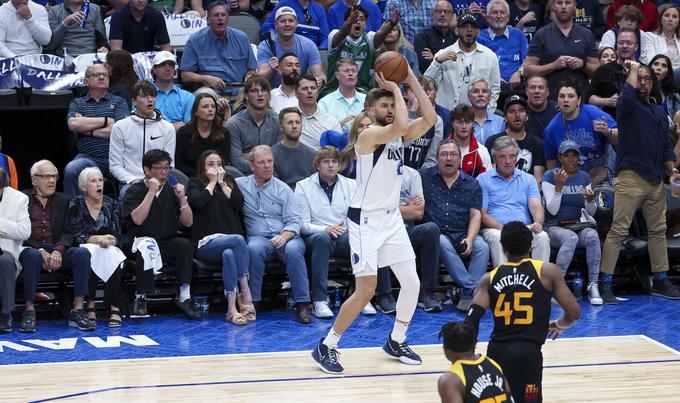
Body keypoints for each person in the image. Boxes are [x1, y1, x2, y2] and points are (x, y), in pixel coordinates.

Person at [311, 65, 437, 374]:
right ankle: (326, 346)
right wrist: (397, 88)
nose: (392, 109)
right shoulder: (368, 136)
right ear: (369, 109)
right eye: (385, 105)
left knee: (411, 283)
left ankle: (397, 339)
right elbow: (401, 126)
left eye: (394, 105)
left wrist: (409, 80)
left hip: (391, 218)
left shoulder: (395, 135)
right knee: (365, 289)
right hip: (365, 221)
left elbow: (431, 119)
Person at [466, 221, 581, 403]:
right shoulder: (547, 272)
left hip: (497, 353)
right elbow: (574, 312)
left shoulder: (489, 278)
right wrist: (558, 325)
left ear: (503, 248)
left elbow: (471, 320)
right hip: (528, 354)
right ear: (531, 245)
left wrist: (469, 356)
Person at [599, 59, 680, 303]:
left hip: (656, 179)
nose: (643, 82)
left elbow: (666, 144)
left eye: (647, 79)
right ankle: (605, 284)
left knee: (658, 231)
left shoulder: (657, 109)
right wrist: (633, 69)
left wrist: (671, 169)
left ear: (653, 84)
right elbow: (627, 97)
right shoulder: (628, 106)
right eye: (639, 78)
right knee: (618, 231)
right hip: (630, 177)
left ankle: (661, 280)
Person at [235, 145, 312, 323]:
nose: (267, 166)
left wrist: (284, 236)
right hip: (259, 238)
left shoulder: (283, 189)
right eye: (262, 162)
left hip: (286, 236)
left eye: (270, 161)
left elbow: (294, 221)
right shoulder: (240, 185)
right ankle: (253, 302)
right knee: (253, 248)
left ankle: (303, 304)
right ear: (252, 165)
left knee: (294, 251)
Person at [122, 149, 200, 319]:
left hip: (165, 241)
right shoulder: (134, 191)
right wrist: (151, 192)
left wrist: (182, 199)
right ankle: (141, 297)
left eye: (167, 168)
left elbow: (188, 223)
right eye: (158, 168)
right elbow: (137, 220)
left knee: (184, 245)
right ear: (147, 170)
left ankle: (185, 296)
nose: (164, 172)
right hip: (138, 242)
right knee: (146, 247)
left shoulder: (172, 190)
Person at [19, 160, 94, 332]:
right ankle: (29, 311)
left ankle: (78, 309)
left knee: (82, 254)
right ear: (33, 180)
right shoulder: (22, 199)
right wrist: (39, 250)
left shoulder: (65, 200)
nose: (52, 180)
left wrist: (59, 251)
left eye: (54, 176)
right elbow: (19, 233)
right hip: (31, 250)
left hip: (58, 250)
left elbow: (70, 231)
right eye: (46, 176)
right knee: (31, 256)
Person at [420, 139, 490, 312]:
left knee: (482, 247)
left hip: (462, 232)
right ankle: (472, 289)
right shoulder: (423, 178)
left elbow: (475, 215)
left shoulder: (472, 183)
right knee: (441, 241)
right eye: (444, 154)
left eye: (453, 154)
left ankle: (466, 296)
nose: (448, 158)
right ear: (437, 158)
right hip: (436, 234)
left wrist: (471, 238)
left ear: (460, 158)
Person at [188, 150, 255, 325]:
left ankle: (231, 309)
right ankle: (246, 293)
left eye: (219, 164)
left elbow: (238, 204)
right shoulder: (194, 183)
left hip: (230, 244)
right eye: (211, 164)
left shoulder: (230, 182)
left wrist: (222, 183)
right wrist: (211, 183)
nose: (216, 167)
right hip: (206, 243)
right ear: (203, 167)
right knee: (238, 240)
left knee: (229, 254)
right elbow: (198, 202)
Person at [295, 146, 356, 319]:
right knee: (322, 239)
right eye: (326, 162)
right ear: (317, 165)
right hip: (316, 237)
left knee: (361, 238)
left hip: (343, 235)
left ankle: (361, 296)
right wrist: (326, 229)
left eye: (334, 161)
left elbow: (354, 218)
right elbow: (303, 225)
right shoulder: (303, 187)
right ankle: (319, 300)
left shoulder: (351, 185)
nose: (331, 165)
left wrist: (344, 230)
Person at [541, 140, 602, 305]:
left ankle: (593, 285)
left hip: (577, 224)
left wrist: (590, 201)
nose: (571, 159)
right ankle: (557, 287)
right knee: (570, 238)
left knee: (592, 235)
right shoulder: (550, 176)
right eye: (566, 155)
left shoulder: (583, 176)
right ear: (560, 157)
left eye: (574, 155)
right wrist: (559, 187)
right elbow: (552, 210)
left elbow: (591, 212)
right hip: (554, 226)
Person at [477, 136, 550, 267]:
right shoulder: (483, 180)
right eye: (502, 157)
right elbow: (482, 214)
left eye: (512, 156)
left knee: (542, 237)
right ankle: (504, 284)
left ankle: (539, 282)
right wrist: (505, 229)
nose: (508, 161)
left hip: (523, 228)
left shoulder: (528, 179)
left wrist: (538, 222)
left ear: (517, 157)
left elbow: (536, 207)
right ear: (494, 159)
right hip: (496, 228)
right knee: (497, 238)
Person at [68, 167, 126, 328]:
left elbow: (117, 233)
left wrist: (110, 241)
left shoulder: (112, 204)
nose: (98, 184)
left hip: (108, 246)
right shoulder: (76, 203)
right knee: (90, 253)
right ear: (84, 187)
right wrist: (97, 239)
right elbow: (76, 235)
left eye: (100, 180)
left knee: (112, 254)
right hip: (85, 247)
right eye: (93, 181)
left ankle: (115, 306)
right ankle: (90, 304)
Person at [64, 63, 129, 198]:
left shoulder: (119, 102)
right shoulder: (78, 103)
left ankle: (124, 217)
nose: (101, 77)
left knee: (129, 179)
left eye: (104, 75)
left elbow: (120, 131)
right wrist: (107, 120)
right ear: (86, 81)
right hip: (88, 158)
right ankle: (74, 213)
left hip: (117, 158)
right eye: (96, 75)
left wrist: (86, 128)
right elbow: (73, 125)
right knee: (71, 169)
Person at [543, 79, 618, 184]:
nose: (566, 100)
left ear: (578, 100)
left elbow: (620, 138)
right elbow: (551, 163)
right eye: (562, 96)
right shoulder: (551, 129)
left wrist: (607, 131)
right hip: (573, 173)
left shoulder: (593, 113)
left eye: (571, 96)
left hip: (602, 167)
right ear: (557, 100)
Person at [109, 80, 176, 195]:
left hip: (160, 181)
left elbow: (170, 164)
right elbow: (115, 166)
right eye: (144, 96)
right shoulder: (120, 127)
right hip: (130, 182)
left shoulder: (168, 128)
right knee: (127, 193)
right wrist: (134, 181)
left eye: (153, 96)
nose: (150, 100)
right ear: (134, 101)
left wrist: (156, 182)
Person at [523, 0, 599, 100]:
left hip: (580, 99)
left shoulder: (586, 34)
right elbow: (527, 70)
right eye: (559, 3)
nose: (563, 6)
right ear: (553, 6)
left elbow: (598, 71)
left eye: (568, 3)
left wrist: (583, 65)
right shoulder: (542, 34)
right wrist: (553, 66)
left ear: (575, 6)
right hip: (551, 100)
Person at [424, 13, 501, 112]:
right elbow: (426, 84)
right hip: (448, 115)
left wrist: (487, 113)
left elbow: (495, 89)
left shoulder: (490, 56)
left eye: (473, 27)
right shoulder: (442, 55)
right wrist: (437, 62)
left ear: (478, 32)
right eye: (464, 26)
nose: (469, 30)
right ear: (457, 30)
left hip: (476, 115)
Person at [180, 1, 257, 96]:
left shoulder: (242, 38)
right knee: (203, 95)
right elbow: (185, 75)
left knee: (254, 94)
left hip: (239, 90)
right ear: (208, 20)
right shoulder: (195, 40)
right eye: (216, 15)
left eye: (223, 15)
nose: (220, 18)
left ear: (228, 18)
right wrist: (206, 79)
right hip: (210, 92)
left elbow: (252, 69)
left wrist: (249, 77)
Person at [322, 6, 392, 97]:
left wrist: (392, 23)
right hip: (333, 90)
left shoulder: (369, 38)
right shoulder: (335, 34)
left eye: (362, 19)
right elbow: (341, 34)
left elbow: (381, 33)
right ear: (345, 22)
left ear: (365, 24)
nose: (358, 21)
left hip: (361, 91)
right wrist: (350, 22)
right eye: (354, 19)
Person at [437, 321, 512, 403]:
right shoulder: (493, 364)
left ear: (445, 348)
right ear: (475, 344)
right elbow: (510, 398)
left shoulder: (451, 379)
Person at [256, 6, 326, 89]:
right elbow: (260, 80)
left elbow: (320, 75)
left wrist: (320, 81)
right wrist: (271, 69)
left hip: (299, 93)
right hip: (272, 94)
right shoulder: (266, 45)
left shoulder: (308, 45)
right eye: (283, 21)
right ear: (275, 25)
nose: (287, 24)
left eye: (291, 21)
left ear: (296, 24)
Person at [227, 75, 282, 175]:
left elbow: (279, 158)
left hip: (272, 176)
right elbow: (237, 163)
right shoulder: (234, 124)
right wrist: (265, 160)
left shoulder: (277, 121)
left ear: (269, 95)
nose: (260, 94)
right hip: (243, 177)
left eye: (264, 90)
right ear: (246, 96)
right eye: (255, 91)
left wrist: (250, 156)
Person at [485, 95, 546, 184]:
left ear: (527, 116)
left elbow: (538, 180)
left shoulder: (537, 144)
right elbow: (492, 177)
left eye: (521, 111)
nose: (517, 115)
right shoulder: (493, 142)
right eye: (512, 111)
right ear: (505, 118)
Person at [477, 0, 529, 100]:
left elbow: (527, 59)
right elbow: (479, 64)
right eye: (494, 13)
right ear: (487, 17)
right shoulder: (479, 37)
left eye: (502, 12)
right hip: (491, 86)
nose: (499, 16)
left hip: (519, 85)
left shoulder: (518, 34)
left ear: (508, 17)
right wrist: (496, 78)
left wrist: (519, 73)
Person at [0, 168, 30, 333]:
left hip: (5, 252)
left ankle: (6, 313)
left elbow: (24, 232)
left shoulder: (19, 199)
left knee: (4, 260)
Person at [175, 93, 231, 178]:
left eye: (213, 106)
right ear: (196, 112)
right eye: (205, 107)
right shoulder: (184, 133)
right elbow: (179, 164)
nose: (210, 109)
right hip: (190, 178)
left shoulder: (223, 133)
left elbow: (225, 162)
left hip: (217, 177)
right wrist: (202, 175)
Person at [589, 28, 640, 118]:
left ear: (636, 47)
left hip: (638, 120)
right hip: (610, 121)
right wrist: (606, 101)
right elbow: (589, 98)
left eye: (629, 43)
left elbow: (655, 99)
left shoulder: (645, 70)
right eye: (620, 43)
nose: (624, 46)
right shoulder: (602, 70)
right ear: (616, 46)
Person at [403, 77, 444, 170]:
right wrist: (412, 114)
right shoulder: (398, 115)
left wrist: (419, 175)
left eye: (421, 92)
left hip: (421, 174)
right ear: (405, 94)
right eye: (414, 91)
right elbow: (402, 143)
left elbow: (432, 158)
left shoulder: (436, 121)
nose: (418, 95)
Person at [272, 107, 316, 189]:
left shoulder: (313, 154)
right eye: (290, 123)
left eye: (298, 122)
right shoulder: (272, 155)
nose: (294, 126)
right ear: (281, 127)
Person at [296, 74, 342, 150]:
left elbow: (338, 151)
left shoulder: (331, 122)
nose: (310, 91)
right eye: (305, 88)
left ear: (318, 92)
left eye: (313, 88)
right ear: (296, 93)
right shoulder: (289, 118)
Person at [152, 51, 195, 130]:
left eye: (171, 65)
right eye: (162, 64)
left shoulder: (188, 97)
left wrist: (157, 125)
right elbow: (141, 124)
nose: (168, 68)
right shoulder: (143, 95)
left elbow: (189, 127)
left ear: (175, 70)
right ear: (154, 69)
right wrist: (176, 125)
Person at [261, 0, 330, 48]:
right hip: (288, 49)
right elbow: (267, 27)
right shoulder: (284, 4)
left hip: (312, 51)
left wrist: (320, 51)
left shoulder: (319, 9)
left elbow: (325, 38)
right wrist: (279, 41)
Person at [318, 58, 367, 127]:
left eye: (354, 71)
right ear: (337, 75)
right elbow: (321, 130)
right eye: (346, 71)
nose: (350, 74)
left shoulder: (366, 100)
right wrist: (339, 124)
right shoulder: (325, 103)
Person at [414, 0, 458, 74]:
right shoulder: (422, 37)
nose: (442, 14)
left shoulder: (456, 38)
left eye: (446, 11)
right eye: (438, 11)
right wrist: (445, 59)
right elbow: (424, 67)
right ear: (432, 14)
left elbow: (460, 64)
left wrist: (434, 58)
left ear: (451, 16)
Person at [449, 104, 492, 178]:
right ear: (453, 124)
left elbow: (487, 182)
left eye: (468, 122)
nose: (464, 126)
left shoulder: (482, 151)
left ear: (472, 124)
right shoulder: (442, 149)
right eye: (459, 122)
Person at [468, 79, 505, 145]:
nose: (480, 94)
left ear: (490, 96)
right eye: (476, 91)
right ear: (468, 97)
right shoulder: (462, 122)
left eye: (484, 91)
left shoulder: (501, 122)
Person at [339, 111, 374, 178]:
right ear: (355, 129)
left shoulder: (383, 152)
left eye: (368, 126)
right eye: (360, 126)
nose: (364, 130)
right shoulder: (346, 153)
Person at [650, 4, 680, 70]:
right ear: (660, 19)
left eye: (674, 17)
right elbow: (650, 60)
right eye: (666, 15)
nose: (670, 19)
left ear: (679, 21)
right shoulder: (650, 37)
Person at [650, 54, 680, 118]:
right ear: (650, 68)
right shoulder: (641, 90)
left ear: (667, 73)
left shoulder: (673, 96)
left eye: (664, 66)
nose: (659, 68)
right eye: (656, 64)